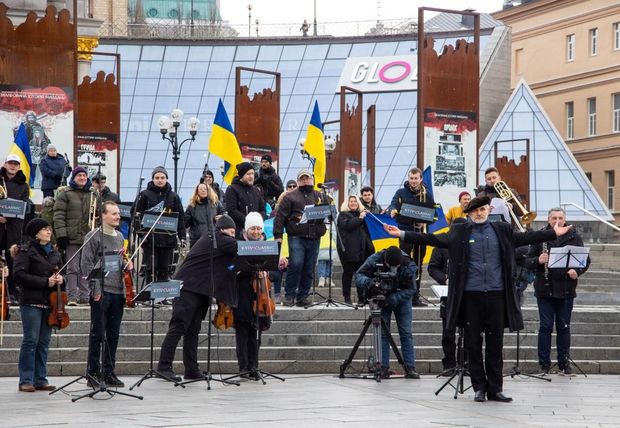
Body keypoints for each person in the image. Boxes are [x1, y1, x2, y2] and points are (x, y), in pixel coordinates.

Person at [385, 196, 573, 402]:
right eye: (475, 211)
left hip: (497, 295)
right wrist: (401, 233)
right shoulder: (460, 231)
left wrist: (554, 232)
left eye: (483, 209)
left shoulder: (502, 230)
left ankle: (495, 388)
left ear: (488, 209)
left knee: (495, 344)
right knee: (473, 344)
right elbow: (433, 240)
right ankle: (479, 388)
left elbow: (527, 238)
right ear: (469, 214)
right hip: (471, 296)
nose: (480, 213)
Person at [157, 214, 238, 382]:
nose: (233, 235)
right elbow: (239, 247)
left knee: (193, 330)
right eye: (231, 232)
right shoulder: (218, 238)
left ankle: (191, 369)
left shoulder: (215, 238)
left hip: (200, 290)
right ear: (222, 230)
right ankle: (164, 367)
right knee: (178, 327)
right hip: (188, 288)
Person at [525, 207, 590, 376]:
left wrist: (577, 271)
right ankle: (544, 364)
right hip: (545, 288)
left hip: (566, 288)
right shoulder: (541, 237)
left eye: (560, 218)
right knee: (545, 327)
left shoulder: (574, 236)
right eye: (554, 218)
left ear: (565, 219)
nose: (557, 221)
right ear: (548, 219)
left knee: (563, 326)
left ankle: (564, 362)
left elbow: (585, 260)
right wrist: (538, 261)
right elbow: (527, 261)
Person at [80, 202, 129, 388]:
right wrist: (95, 290)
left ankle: (109, 372)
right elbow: (85, 266)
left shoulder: (120, 236)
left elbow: (116, 264)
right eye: (114, 214)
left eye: (118, 214)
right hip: (101, 291)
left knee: (113, 335)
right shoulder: (93, 236)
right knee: (97, 334)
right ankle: (93, 372)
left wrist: (126, 265)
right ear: (103, 215)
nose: (118, 217)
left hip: (118, 290)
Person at [14, 218, 64, 392]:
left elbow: (59, 274)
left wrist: (60, 279)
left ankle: (40, 378)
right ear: (36, 233)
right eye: (44, 229)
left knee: (44, 341)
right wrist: (45, 282)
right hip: (31, 302)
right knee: (31, 340)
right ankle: (25, 380)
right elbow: (19, 276)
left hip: (50, 303)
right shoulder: (26, 251)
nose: (49, 232)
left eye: (49, 229)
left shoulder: (55, 253)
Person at [356, 246, 420, 379]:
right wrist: (370, 283)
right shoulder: (375, 259)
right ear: (385, 261)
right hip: (382, 298)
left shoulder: (407, 263)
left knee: (406, 333)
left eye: (396, 266)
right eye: (391, 266)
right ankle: (383, 367)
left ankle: (410, 367)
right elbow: (358, 275)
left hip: (402, 298)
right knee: (384, 334)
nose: (393, 270)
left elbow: (412, 289)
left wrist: (393, 299)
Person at [273, 169, 326, 307]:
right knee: (296, 265)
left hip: (314, 236)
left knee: (309, 268)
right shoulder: (290, 197)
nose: (305, 180)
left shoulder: (320, 195)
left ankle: (303, 296)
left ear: (312, 180)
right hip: (296, 236)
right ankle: (289, 295)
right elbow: (280, 217)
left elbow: (329, 213)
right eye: (302, 178)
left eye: (307, 178)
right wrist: (278, 235)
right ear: (298, 181)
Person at [387, 167, 434, 307]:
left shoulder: (427, 194)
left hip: (421, 234)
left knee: (418, 265)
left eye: (416, 178)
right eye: (411, 178)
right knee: (404, 263)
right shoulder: (401, 192)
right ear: (409, 179)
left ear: (420, 179)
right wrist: (392, 210)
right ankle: (403, 294)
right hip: (405, 232)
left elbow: (433, 214)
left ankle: (416, 296)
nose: (413, 181)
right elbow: (393, 204)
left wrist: (425, 221)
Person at [131, 166, 186, 286]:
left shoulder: (173, 196)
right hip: (150, 239)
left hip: (168, 239)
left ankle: (160, 296)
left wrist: (182, 237)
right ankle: (150, 293)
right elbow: (135, 214)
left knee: (164, 268)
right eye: (157, 178)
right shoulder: (144, 194)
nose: (160, 180)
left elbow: (180, 218)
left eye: (162, 177)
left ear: (166, 179)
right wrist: (141, 233)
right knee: (150, 268)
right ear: (153, 179)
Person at [53, 166, 98, 305]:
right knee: (73, 267)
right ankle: (72, 295)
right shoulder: (65, 193)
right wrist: (61, 235)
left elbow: (99, 213)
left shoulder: (93, 194)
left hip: (88, 236)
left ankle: (85, 296)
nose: (82, 178)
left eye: (84, 176)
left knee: (86, 267)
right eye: (79, 176)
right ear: (73, 178)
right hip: (72, 236)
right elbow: (59, 215)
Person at [427, 217, 467, 373]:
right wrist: (445, 278)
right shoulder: (442, 245)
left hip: (467, 294)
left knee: (469, 333)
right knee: (448, 332)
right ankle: (449, 364)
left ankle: (465, 363)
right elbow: (432, 267)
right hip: (448, 294)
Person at [1, 154, 30, 304]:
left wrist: (9, 216)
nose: (12, 166)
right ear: (5, 164)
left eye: (15, 164)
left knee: (13, 260)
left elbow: (24, 206)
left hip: (14, 228)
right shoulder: (0, 181)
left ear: (19, 166)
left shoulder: (23, 185)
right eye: (10, 163)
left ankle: (12, 292)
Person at [337, 195, 374, 304]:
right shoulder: (343, 215)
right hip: (348, 251)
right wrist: (360, 218)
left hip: (361, 251)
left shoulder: (362, 215)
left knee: (360, 275)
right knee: (348, 274)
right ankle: (347, 298)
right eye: (351, 201)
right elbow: (348, 226)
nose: (353, 203)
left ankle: (361, 298)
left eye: (355, 201)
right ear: (347, 203)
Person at [225, 162, 265, 237]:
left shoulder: (256, 190)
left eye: (252, 173)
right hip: (239, 232)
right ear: (241, 176)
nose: (251, 176)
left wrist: (258, 220)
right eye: (248, 174)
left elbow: (262, 209)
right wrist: (248, 221)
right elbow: (232, 210)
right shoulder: (232, 189)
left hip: (256, 233)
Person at [184, 182, 224, 248]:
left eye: (205, 189)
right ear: (197, 191)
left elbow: (224, 213)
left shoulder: (215, 203)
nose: (203, 190)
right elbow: (185, 223)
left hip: (214, 240)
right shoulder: (192, 206)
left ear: (209, 191)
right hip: (197, 240)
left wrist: (222, 217)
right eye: (201, 189)